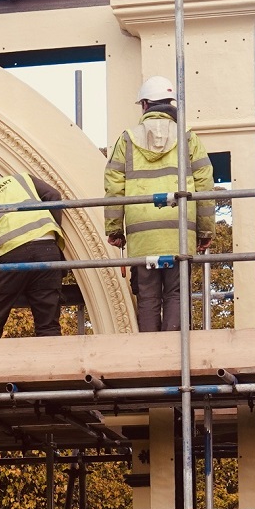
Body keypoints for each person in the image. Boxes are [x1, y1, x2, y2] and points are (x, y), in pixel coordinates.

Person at [104, 76, 215, 333]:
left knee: (147, 295)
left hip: (142, 232)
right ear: (171, 103)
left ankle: (149, 349)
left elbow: (113, 187)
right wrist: (205, 230)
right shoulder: (188, 137)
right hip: (179, 230)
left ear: (144, 104)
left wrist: (114, 229)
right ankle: (175, 347)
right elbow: (205, 185)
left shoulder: (127, 139)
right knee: (177, 293)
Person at [0, 164, 67, 338]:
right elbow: (54, 196)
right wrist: (50, 231)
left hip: (9, 258)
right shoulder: (21, 179)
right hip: (46, 250)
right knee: (48, 326)